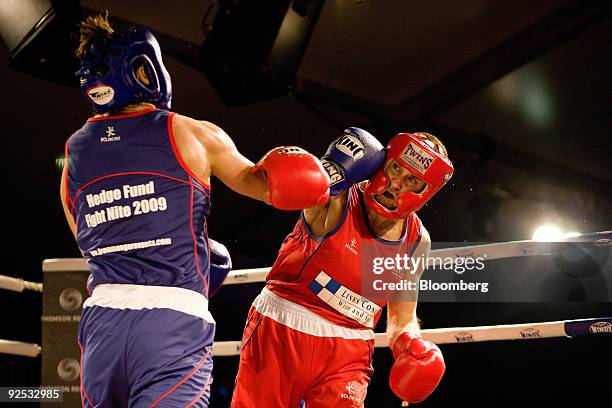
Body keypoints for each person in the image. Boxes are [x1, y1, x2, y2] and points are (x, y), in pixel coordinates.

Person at [59, 14, 330, 408]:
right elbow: (275, 189)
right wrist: (329, 176)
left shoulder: (72, 155)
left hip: (101, 324)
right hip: (170, 320)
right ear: (143, 68)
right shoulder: (191, 132)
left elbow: (90, 245)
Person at [231, 128, 453, 407]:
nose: (397, 183)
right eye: (395, 168)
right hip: (284, 326)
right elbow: (294, 183)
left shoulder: (417, 241)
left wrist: (410, 344)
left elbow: (402, 317)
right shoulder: (339, 197)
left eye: (411, 179)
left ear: (424, 193)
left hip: (350, 350)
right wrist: (328, 172)